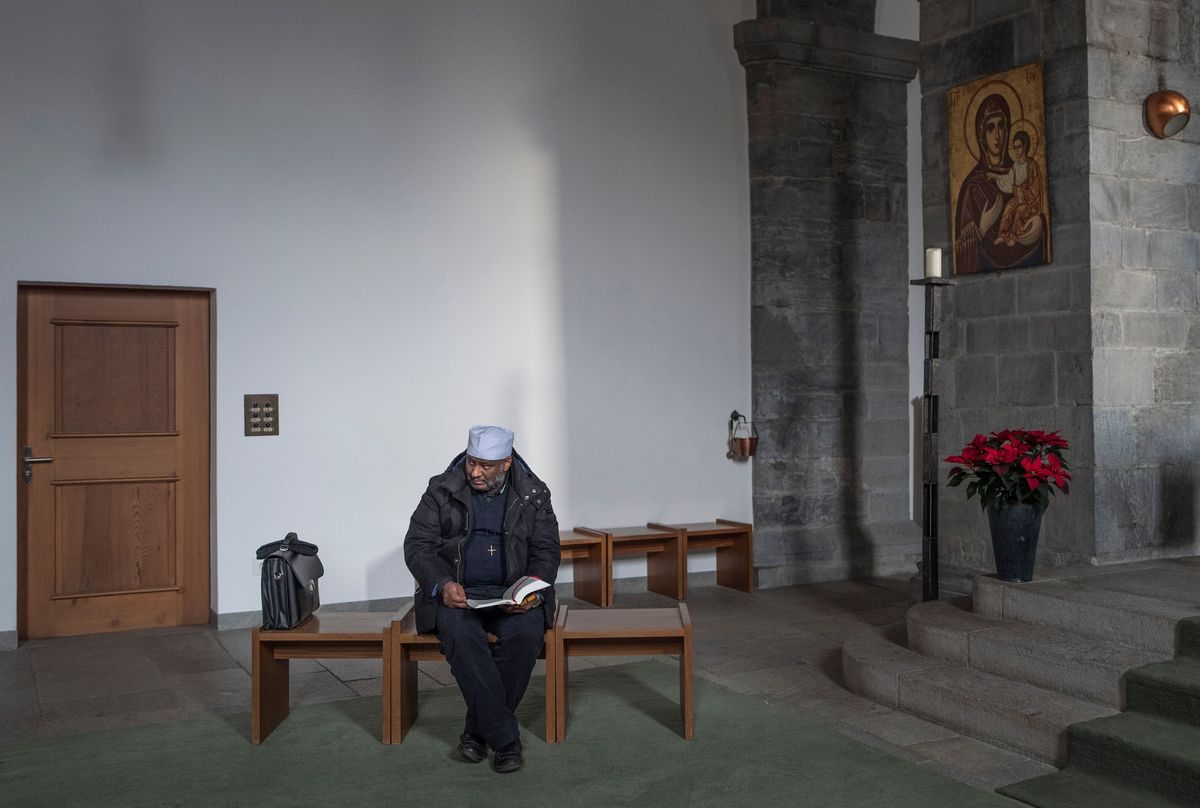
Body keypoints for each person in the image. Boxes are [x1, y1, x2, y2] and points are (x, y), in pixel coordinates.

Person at [403, 425, 560, 773]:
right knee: (461, 636)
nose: (474, 472)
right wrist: (442, 584)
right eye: (471, 463)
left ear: (505, 463)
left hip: (513, 596)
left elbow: (547, 551)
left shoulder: (534, 493)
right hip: (457, 594)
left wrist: (529, 590)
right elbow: (417, 545)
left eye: (484, 466)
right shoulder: (440, 489)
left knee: (525, 636)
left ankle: (476, 732)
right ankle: (506, 741)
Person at [953, 94, 1045, 273]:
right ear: (981, 135)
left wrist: (1039, 224)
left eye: (1001, 126)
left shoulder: (1023, 169)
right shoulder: (973, 186)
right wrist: (982, 228)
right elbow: (961, 252)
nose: (997, 135)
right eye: (990, 128)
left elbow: (1035, 198)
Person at [989, 130, 1043, 248]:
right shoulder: (1015, 166)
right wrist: (996, 176)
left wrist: (1021, 191)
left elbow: (1035, 188)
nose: (1017, 151)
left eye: (1019, 147)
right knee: (1009, 207)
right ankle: (1002, 235)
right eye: (1014, 148)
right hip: (1018, 198)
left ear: (1025, 147)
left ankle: (1014, 236)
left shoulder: (1032, 165)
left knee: (1019, 210)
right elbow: (1008, 179)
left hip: (1031, 202)